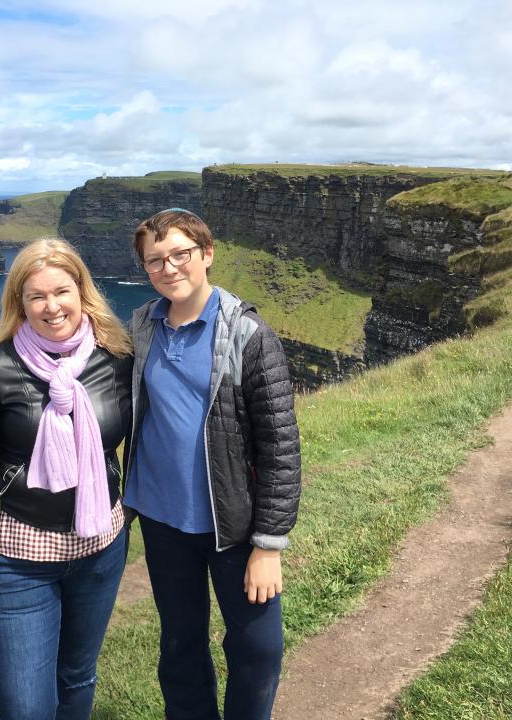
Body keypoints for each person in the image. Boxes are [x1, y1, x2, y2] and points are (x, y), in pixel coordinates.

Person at [123, 208, 301, 720]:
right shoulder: (143, 326)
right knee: (180, 645)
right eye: (155, 260)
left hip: (235, 525)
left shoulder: (249, 334)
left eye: (180, 254)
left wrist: (269, 545)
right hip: (163, 520)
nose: (169, 267)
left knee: (257, 648)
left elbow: (281, 446)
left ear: (207, 254)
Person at [0, 238, 133, 720]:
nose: (52, 306)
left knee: (77, 677)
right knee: (27, 705)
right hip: (18, 560)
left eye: (62, 291)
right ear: (20, 304)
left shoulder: (115, 357)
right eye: (36, 296)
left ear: (82, 293)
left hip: (100, 549)